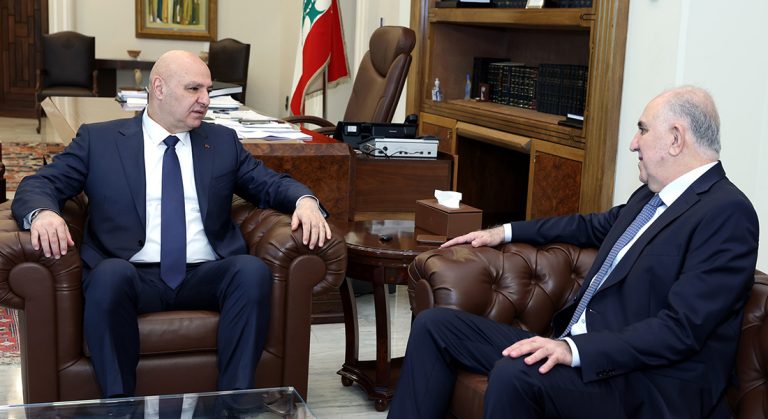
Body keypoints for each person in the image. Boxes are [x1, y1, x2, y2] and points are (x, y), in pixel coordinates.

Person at [388, 86, 759, 419]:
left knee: (517, 375)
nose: (633, 143)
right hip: (584, 353)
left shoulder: (727, 213)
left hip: (643, 381)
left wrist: (574, 351)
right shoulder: (650, 197)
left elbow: (681, 329)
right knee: (435, 326)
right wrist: (503, 231)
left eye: (643, 130)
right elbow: (589, 226)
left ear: (675, 139)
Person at [11, 50, 332, 398]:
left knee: (251, 272)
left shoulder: (220, 142)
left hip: (204, 274)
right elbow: (40, 184)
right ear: (159, 89)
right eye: (194, 89)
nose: (205, 99)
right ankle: (119, 405)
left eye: (208, 90)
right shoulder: (99, 141)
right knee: (108, 276)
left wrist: (305, 201)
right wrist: (43, 213)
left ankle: (234, 403)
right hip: (130, 274)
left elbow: (269, 184)